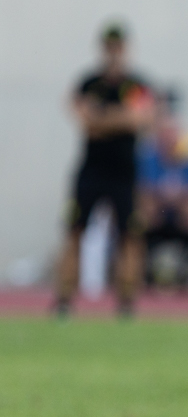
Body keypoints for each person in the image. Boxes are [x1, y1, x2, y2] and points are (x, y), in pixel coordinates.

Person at [55, 23, 156, 317]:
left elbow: (141, 119)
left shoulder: (137, 85)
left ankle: (126, 303)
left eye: (118, 47)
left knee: (129, 235)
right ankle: (64, 301)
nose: (114, 53)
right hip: (90, 172)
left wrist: (105, 118)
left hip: (124, 173)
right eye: (109, 47)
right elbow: (85, 120)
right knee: (74, 231)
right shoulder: (89, 82)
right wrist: (119, 118)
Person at [139, 91, 188, 288]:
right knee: (144, 209)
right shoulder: (150, 158)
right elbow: (146, 191)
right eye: (165, 135)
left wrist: (175, 200)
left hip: (182, 216)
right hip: (158, 215)